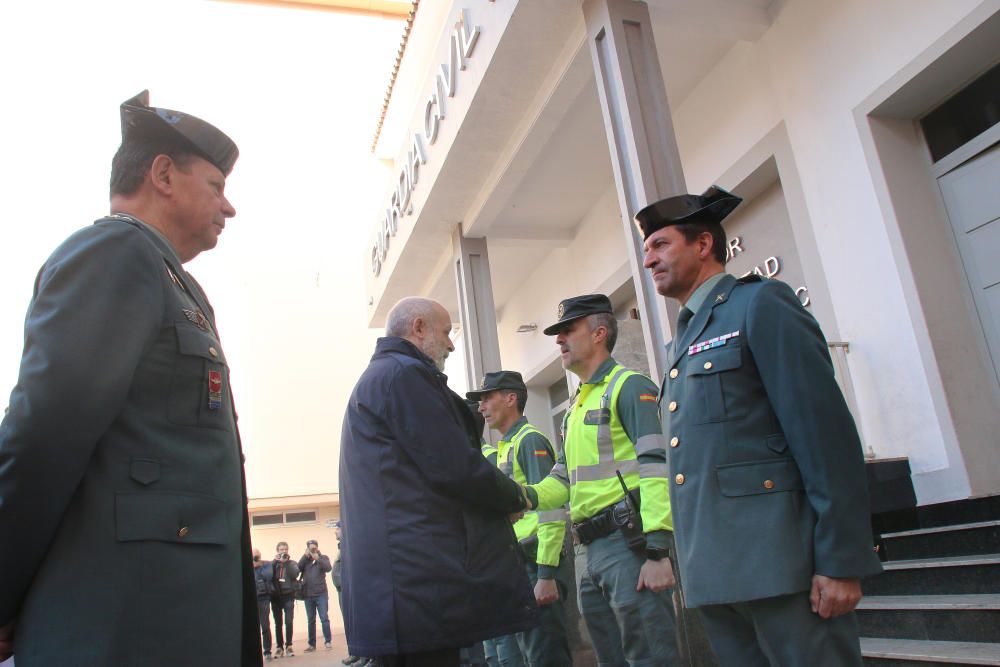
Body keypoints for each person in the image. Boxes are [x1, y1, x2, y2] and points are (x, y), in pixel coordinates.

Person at [0, 90, 259, 666]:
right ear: (163, 174)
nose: (229, 206)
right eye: (217, 186)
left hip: (168, 616)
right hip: (125, 626)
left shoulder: (166, 276)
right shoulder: (114, 254)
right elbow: (45, 435)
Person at [636, 185, 884, 665]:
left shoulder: (761, 304)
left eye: (660, 244)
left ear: (703, 244)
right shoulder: (683, 340)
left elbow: (824, 437)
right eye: (647, 250)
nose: (649, 261)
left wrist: (841, 559)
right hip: (717, 575)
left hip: (783, 568)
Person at [339, 296, 537, 667]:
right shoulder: (403, 375)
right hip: (417, 592)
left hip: (402, 590)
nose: (450, 344)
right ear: (418, 328)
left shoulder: (385, 376)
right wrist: (516, 497)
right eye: (445, 332)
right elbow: (455, 466)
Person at [522, 294, 681, 666]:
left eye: (568, 330)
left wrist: (658, 550)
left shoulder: (629, 387)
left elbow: (657, 466)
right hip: (589, 552)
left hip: (630, 545)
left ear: (599, 333)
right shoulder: (575, 407)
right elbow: (561, 479)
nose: (559, 340)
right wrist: (520, 495)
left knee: (650, 656)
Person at [468, 372, 572, 667]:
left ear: (511, 398)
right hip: (520, 564)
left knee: (545, 655)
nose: (482, 407)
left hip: (536, 562)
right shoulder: (506, 446)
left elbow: (552, 507)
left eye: (488, 397)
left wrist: (546, 574)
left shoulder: (530, 441)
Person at [299, 539, 334, 652]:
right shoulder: (305, 560)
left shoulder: (323, 558)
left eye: (314, 548)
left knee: (324, 618)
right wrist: (305, 556)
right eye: (311, 548)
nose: (313, 550)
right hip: (308, 594)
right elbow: (297, 568)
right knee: (311, 620)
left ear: (317, 548)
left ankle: (328, 641)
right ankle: (311, 644)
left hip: (321, 594)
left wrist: (317, 558)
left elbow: (328, 568)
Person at [271, 541, 300, 658]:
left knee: (289, 622)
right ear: (277, 551)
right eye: (281, 549)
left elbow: (295, 574)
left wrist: (286, 563)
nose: (283, 551)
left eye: (285, 549)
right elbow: (269, 575)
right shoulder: (274, 564)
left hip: (288, 596)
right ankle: (279, 647)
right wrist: (274, 562)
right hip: (276, 597)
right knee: (278, 623)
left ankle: (289, 645)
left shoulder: (292, 563)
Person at [254, 549, 277, 661]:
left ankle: (267, 651)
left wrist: (258, 566)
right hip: (252, 599)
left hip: (264, 598)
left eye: (257, 556)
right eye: (253, 556)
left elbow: (268, 576)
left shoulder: (266, 564)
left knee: (265, 625)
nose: (256, 558)